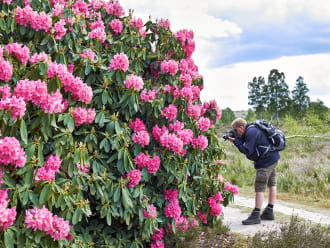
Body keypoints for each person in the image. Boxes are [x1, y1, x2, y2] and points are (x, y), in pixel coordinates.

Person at [228, 118, 280, 225]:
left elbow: (247, 150)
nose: (236, 132)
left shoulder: (251, 132)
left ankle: (256, 215)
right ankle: (269, 211)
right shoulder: (253, 128)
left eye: (236, 130)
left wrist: (236, 142)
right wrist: (236, 139)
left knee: (259, 185)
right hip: (273, 157)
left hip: (265, 162)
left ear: (241, 127)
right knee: (272, 183)